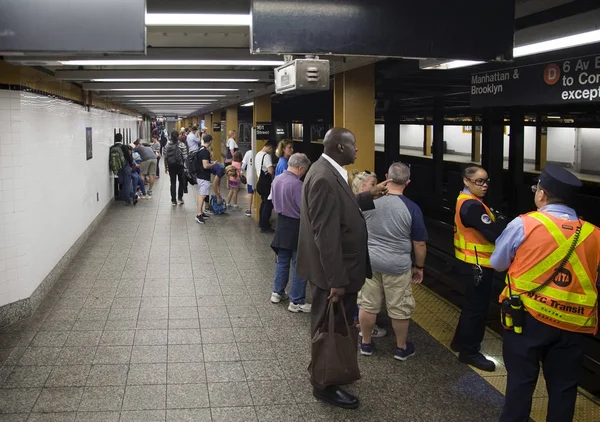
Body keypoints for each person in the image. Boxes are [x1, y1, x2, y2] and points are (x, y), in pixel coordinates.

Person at [490, 164, 599, 422]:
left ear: (542, 194)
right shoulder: (594, 234)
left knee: (520, 383)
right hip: (574, 323)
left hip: (526, 319)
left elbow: (498, 263)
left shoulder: (525, 224)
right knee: (563, 389)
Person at [297, 127, 389, 410]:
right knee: (330, 326)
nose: (357, 150)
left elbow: (339, 210)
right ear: (339, 147)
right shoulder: (325, 177)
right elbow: (326, 234)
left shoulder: (328, 171)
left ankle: (328, 370)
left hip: (336, 272)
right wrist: (336, 280)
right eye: (354, 145)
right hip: (334, 275)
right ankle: (324, 385)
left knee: (334, 325)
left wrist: (368, 196)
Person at [358, 162, 428, 361]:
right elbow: (420, 244)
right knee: (399, 307)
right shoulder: (412, 208)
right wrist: (419, 267)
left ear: (386, 176)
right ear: (408, 182)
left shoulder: (369, 202)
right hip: (397, 265)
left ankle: (366, 343)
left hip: (370, 262)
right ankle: (401, 348)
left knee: (368, 304)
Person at [450, 164, 504, 372]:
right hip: (478, 266)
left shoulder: (465, 200)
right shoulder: (472, 206)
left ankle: (459, 342)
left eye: (486, 181)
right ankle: (469, 352)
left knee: (471, 306)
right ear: (466, 180)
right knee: (477, 310)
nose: (484, 186)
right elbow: (493, 234)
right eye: (479, 181)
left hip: (470, 262)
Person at [270, 153, 312, 312]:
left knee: (282, 260)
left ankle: (277, 292)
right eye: (304, 170)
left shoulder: (277, 179)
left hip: (282, 224)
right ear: (301, 168)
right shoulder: (297, 185)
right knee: (299, 264)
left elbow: (273, 202)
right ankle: (296, 301)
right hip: (297, 226)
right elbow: (305, 209)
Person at [350, 170, 387, 339]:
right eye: (373, 185)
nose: (377, 188)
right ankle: (362, 324)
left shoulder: (352, 201)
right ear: (363, 186)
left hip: (358, 255)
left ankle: (356, 319)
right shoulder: (364, 206)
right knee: (363, 294)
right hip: (363, 255)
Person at [195, 135, 219, 224]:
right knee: (203, 195)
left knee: (201, 194)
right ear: (209, 141)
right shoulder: (205, 152)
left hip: (200, 175)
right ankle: (198, 214)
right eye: (211, 141)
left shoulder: (200, 149)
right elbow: (205, 165)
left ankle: (201, 212)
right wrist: (213, 164)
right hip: (203, 176)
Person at [164, 130, 188, 206]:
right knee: (181, 182)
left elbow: (165, 157)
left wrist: (166, 167)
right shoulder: (182, 145)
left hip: (171, 166)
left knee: (173, 183)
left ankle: (173, 200)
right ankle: (180, 198)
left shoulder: (168, 145)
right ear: (178, 136)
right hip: (180, 166)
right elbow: (185, 157)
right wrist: (184, 166)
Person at [111, 133, 136, 206]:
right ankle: (128, 199)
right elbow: (129, 157)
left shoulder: (112, 147)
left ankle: (131, 195)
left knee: (122, 181)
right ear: (121, 139)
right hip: (126, 166)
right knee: (127, 183)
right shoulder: (124, 147)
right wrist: (131, 165)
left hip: (118, 167)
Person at [255, 142, 275, 233]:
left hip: (260, 181)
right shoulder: (266, 156)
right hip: (266, 183)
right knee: (268, 204)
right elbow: (270, 171)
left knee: (264, 203)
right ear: (269, 147)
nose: (271, 151)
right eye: (271, 149)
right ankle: (265, 225)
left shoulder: (257, 154)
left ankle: (261, 222)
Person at [242, 149, 254, 217]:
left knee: (250, 192)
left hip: (250, 176)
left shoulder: (248, 153)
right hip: (259, 177)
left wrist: (241, 173)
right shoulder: (260, 153)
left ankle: (249, 210)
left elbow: (244, 165)